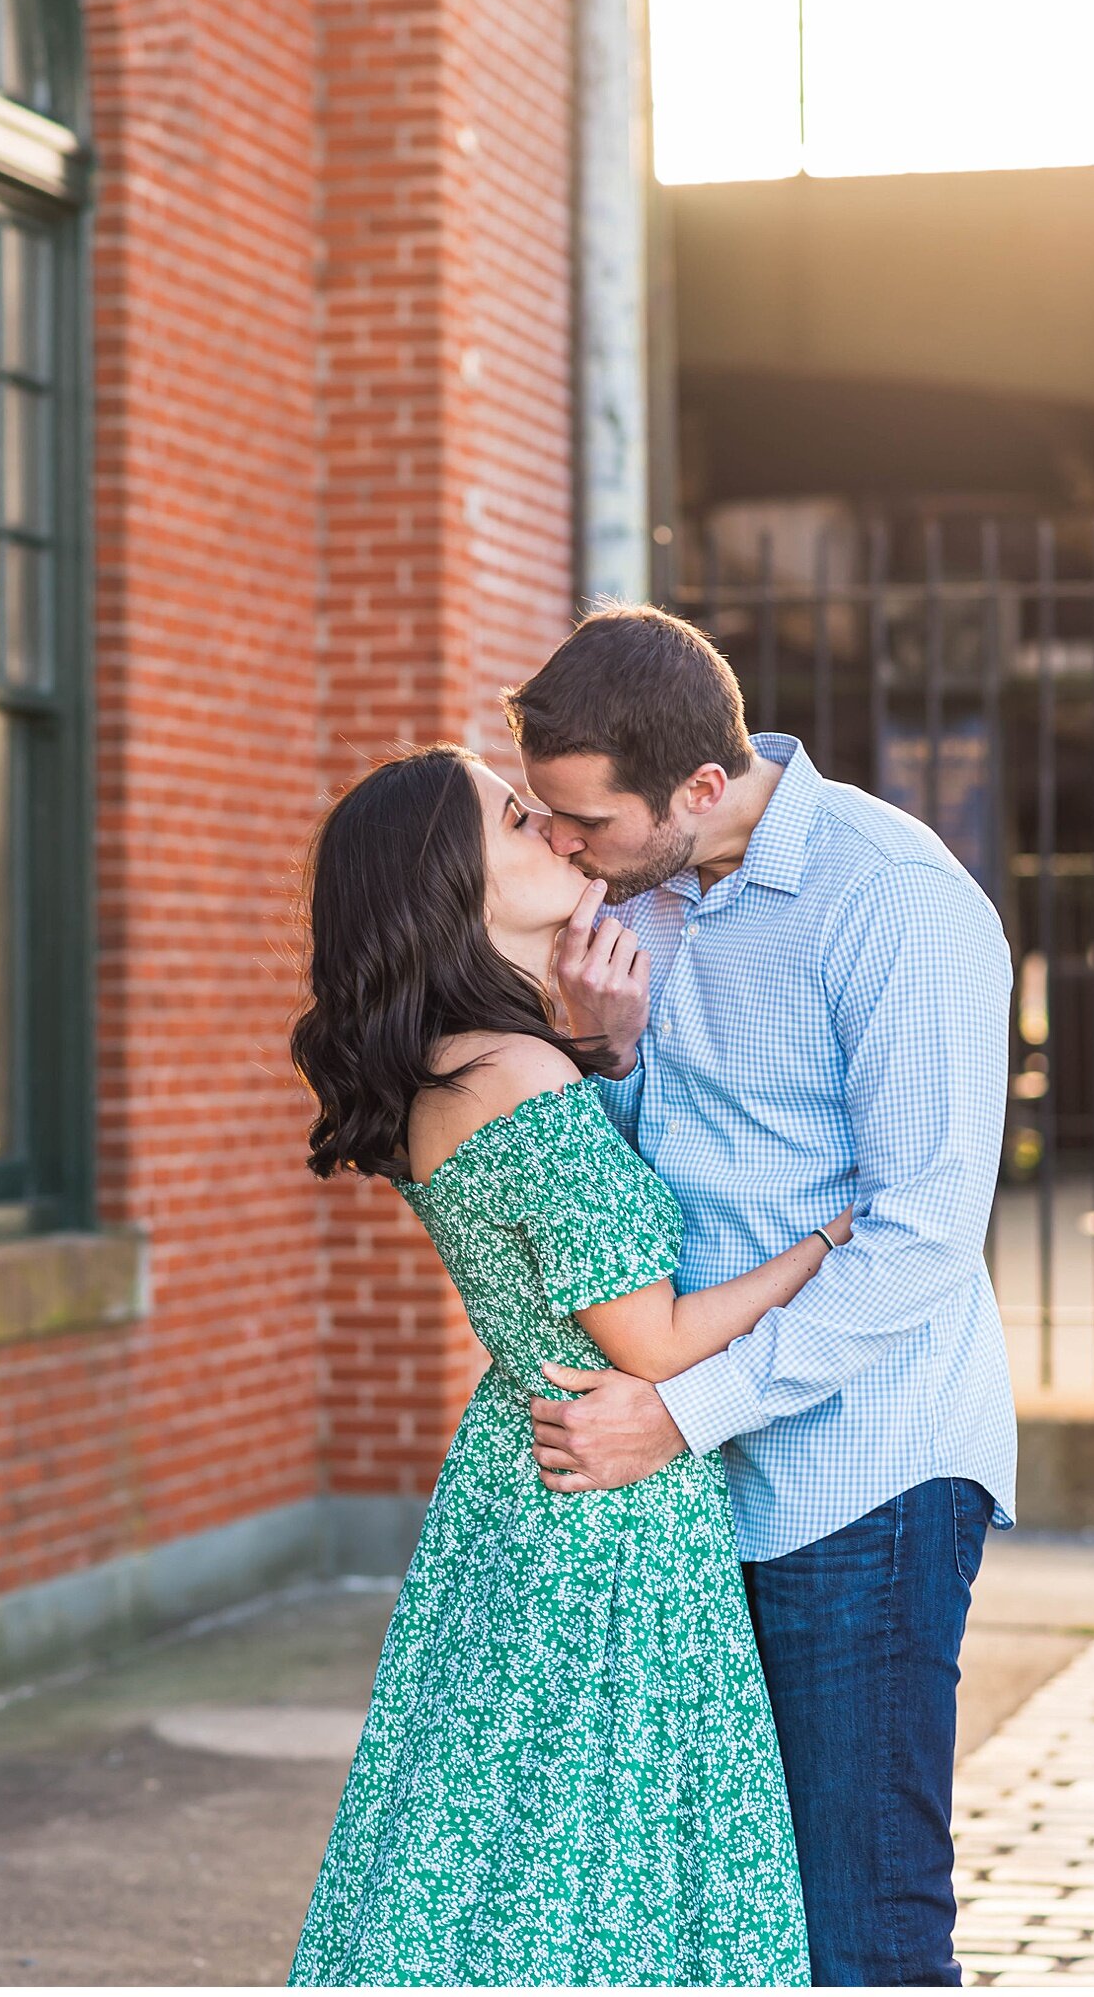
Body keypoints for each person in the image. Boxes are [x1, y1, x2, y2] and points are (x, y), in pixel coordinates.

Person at [506, 602, 1019, 1989]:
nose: (562, 848)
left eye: (583, 822)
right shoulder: (633, 902)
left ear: (703, 788)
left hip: (867, 1472)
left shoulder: (895, 902)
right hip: (690, 1483)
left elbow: (920, 1239)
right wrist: (605, 1055)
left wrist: (678, 1410)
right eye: (546, 821)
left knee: (860, 1920)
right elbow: (635, 1198)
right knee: (737, 1925)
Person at [286, 742, 851, 1987]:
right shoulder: (519, 1073)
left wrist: (602, 1052)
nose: (556, 831)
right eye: (516, 819)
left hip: (525, 1481)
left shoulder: (472, 1065)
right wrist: (818, 1244)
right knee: (603, 1859)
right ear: (454, 885)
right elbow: (650, 1340)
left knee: (504, 1846)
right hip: (602, 1511)